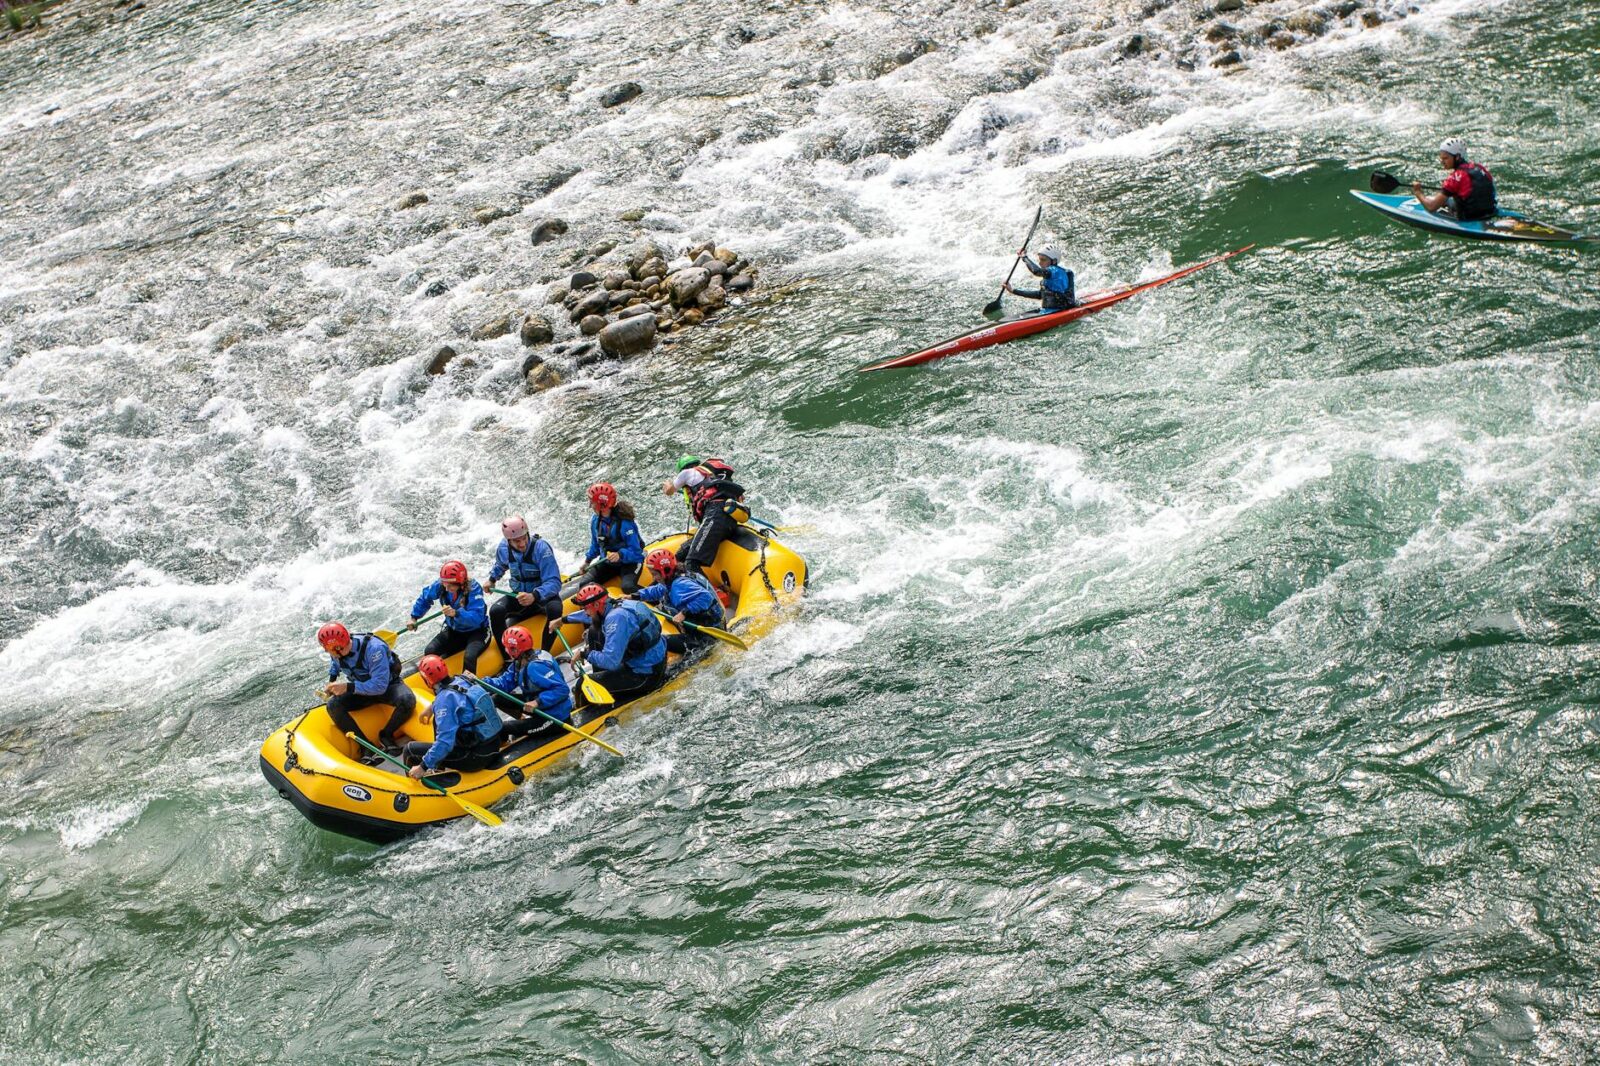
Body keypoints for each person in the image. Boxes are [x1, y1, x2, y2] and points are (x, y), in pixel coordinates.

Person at [552, 583, 668, 702]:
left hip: (645, 675)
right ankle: (602, 678)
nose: (585, 612)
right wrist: (562, 620)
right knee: (593, 632)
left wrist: (584, 653)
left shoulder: (616, 619)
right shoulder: (616, 604)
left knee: (582, 685)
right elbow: (589, 616)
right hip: (649, 661)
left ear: (597, 604)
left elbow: (611, 662)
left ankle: (593, 699)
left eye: (586, 608)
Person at [317, 621, 415, 756]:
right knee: (333, 705)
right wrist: (331, 682)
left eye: (334, 651)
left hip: (388, 687)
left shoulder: (374, 649)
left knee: (407, 700)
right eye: (329, 651)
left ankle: (386, 734)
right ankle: (366, 746)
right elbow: (335, 665)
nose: (332, 654)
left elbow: (379, 686)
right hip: (361, 689)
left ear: (341, 645)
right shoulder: (336, 651)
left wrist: (348, 687)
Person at [404, 654, 505, 777]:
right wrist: (432, 707)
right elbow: (457, 697)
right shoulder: (463, 679)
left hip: (477, 757)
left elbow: (445, 742)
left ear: (426, 679)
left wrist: (423, 766)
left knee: (409, 749)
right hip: (494, 743)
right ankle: (438, 769)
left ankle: (415, 784)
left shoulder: (443, 701)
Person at [473, 625, 574, 739]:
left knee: (503, 729)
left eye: (506, 647)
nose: (505, 650)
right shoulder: (520, 662)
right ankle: (523, 722)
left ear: (514, 649)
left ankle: (516, 732)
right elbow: (503, 683)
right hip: (541, 708)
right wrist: (479, 682)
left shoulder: (535, 667)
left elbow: (562, 689)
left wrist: (537, 702)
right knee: (497, 698)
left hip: (555, 718)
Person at [485, 514, 564, 653]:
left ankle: (545, 653)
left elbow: (554, 581)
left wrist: (534, 595)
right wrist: (492, 579)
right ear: (509, 541)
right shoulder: (503, 548)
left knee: (555, 610)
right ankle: (507, 657)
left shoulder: (541, 548)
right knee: (495, 611)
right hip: (519, 596)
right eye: (516, 541)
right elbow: (500, 565)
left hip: (542, 597)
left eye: (524, 538)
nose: (522, 544)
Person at [661, 455, 749, 577]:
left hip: (715, 515)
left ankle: (708, 595)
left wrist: (667, 484)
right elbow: (741, 499)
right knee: (681, 554)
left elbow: (669, 491)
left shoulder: (687, 473)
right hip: (728, 518)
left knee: (691, 564)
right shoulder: (717, 478)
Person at [631, 548, 725, 654]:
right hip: (705, 622)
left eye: (655, 574)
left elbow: (706, 597)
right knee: (666, 610)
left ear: (665, 571)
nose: (653, 578)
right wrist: (634, 596)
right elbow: (657, 590)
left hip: (707, 634)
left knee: (662, 641)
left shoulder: (679, 585)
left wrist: (684, 613)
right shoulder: (673, 578)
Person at [408, 559, 490, 674]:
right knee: (430, 651)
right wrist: (414, 617)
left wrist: (456, 613)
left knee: (469, 658)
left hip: (477, 632)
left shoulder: (474, 588)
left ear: (460, 582)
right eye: (445, 585)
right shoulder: (442, 584)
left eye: (450, 586)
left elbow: (477, 618)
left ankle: (468, 687)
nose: (446, 589)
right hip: (454, 630)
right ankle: (440, 683)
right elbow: (425, 598)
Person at [574, 482, 644, 593]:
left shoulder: (626, 523)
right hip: (608, 563)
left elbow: (637, 552)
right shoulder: (595, 521)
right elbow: (596, 545)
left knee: (628, 587)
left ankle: (656, 600)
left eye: (592, 503)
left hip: (630, 562)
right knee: (584, 584)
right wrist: (587, 561)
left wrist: (620, 554)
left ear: (602, 505)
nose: (590, 506)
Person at [1412, 137, 1497, 221]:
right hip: (1491, 212)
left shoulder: (1455, 177)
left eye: (1445, 158)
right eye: (1441, 158)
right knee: (1449, 199)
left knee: (1443, 201)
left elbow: (1431, 207)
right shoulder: (1480, 167)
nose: (1442, 162)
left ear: (1457, 157)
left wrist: (1418, 192)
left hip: (1469, 218)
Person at [1003, 245, 1076, 313]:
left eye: (1043, 260)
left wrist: (1024, 257)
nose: (1040, 263)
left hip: (1062, 310)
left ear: (1054, 261)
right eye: (1039, 259)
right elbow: (1039, 295)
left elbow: (1036, 271)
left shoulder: (1055, 271)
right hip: (1048, 311)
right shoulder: (1048, 278)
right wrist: (1013, 291)